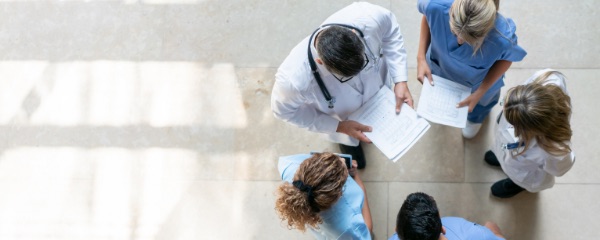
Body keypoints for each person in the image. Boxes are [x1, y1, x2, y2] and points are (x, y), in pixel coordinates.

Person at [271, 2, 412, 169]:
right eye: (345, 77)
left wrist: (400, 79)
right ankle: (351, 147)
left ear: (354, 34)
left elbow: (391, 31)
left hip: (379, 94)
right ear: (320, 62)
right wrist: (338, 126)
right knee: (350, 143)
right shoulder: (293, 80)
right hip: (343, 119)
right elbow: (283, 111)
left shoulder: (368, 17)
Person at [416, 0, 527, 138]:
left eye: (469, 39)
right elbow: (428, 17)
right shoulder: (435, 6)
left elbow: (508, 58)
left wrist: (480, 92)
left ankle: (475, 119)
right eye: (454, 32)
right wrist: (421, 58)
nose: (459, 41)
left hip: (478, 86)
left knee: (480, 105)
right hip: (439, 69)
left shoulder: (502, 38)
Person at [485, 69, 575, 198]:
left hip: (523, 171)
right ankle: (501, 159)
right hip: (507, 146)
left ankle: (516, 185)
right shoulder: (548, 78)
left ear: (532, 129)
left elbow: (558, 170)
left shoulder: (556, 150)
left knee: (518, 174)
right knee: (503, 150)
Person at [275, 152, 372, 239]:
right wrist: (356, 176)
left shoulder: (289, 165)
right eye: (344, 176)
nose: (342, 159)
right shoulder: (349, 225)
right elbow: (367, 229)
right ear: (338, 195)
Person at [390, 192, 505, 240]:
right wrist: (494, 232)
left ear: (397, 231)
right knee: (491, 226)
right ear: (442, 228)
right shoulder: (471, 234)